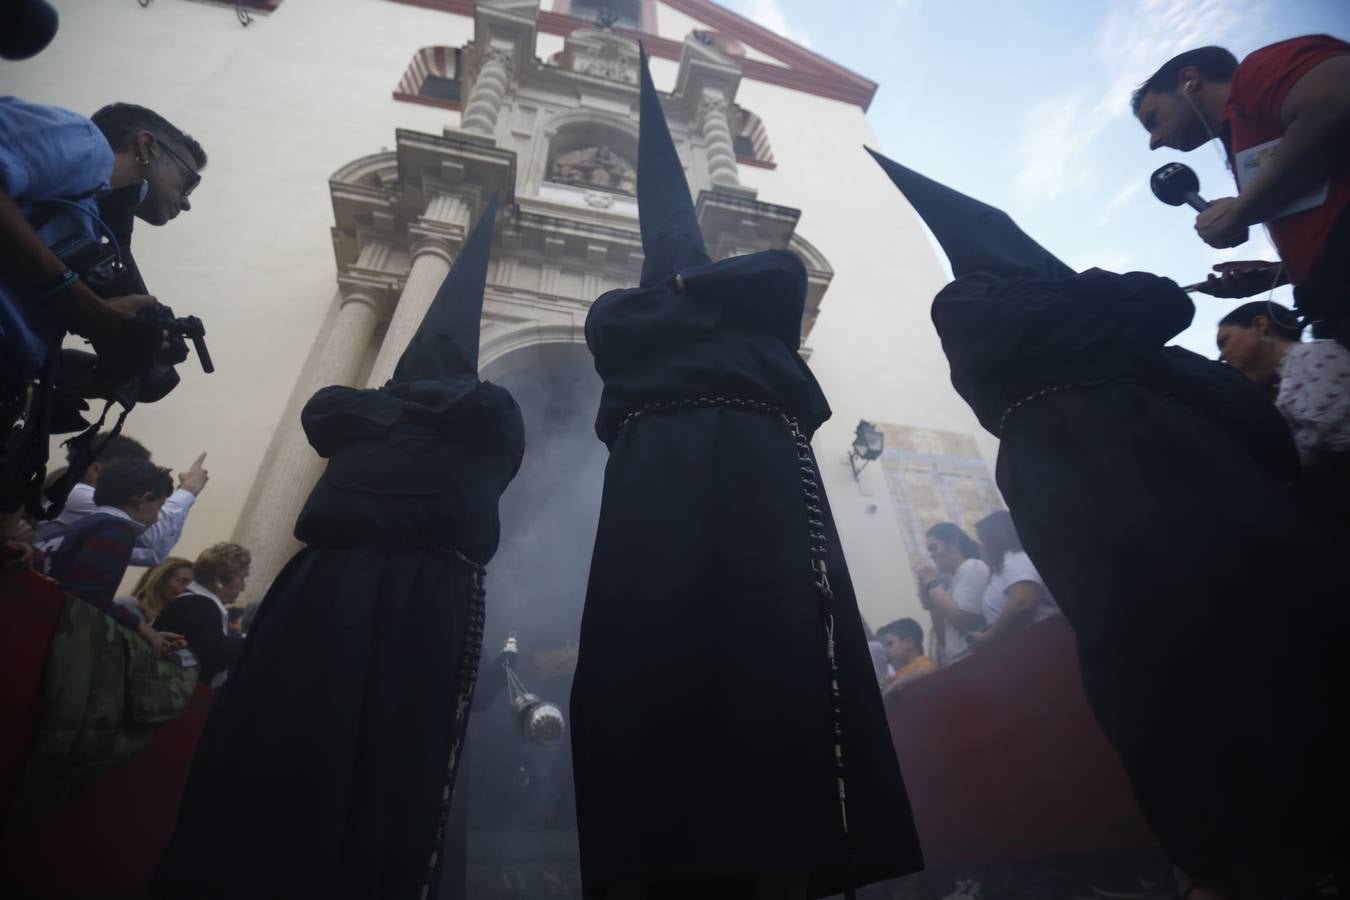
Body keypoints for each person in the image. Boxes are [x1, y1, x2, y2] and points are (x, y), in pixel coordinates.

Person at [868, 148, 1348, 898]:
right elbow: (1160, 310)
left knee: (1266, 643)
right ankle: (1224, 862)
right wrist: (1126, 303)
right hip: (1097, 505)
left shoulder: (1100, 341)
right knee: (1155, 668)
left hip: (1184, 506)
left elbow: (1231, 397)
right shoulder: (981, 312)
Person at [569, 50, 922, 900]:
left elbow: (780, 270)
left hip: (764, 493)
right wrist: (701, 291)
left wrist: (687, 288)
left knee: (780, 676)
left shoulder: (738, 302)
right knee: (656, 675)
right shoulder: (634, 320)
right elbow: (617, 318)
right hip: (659, 496)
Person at [152, 195, 524, 900]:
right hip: (328, 592)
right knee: (286, 747)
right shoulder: (378, 414)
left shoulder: (480, 416)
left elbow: (485, 409)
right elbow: (323, 409)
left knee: (386, 765)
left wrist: (402, 401)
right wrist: (416, 401)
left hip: (418, 598)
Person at [1131, 38, 1350, 345]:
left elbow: (1337, 98)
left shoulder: (1253, 73)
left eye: (1153, 119)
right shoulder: (1237, 140)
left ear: (1189, 80)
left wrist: (1241, 210)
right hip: (1330, 301)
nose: (1153, 141)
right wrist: (1275, 274)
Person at [0, 96, 205, 388]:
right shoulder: (87, 142)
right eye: (189, 181)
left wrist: (56, 368)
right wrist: (90, 309)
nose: (186, 203)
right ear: (147, 145)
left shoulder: (89, 218)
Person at [1216, 300, 1350, 545]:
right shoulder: (1286, 378)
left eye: (1225, 341)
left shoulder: (1314, 353)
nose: (1223, 355)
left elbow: (1328, 432)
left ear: (1260, 325)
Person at [33, 456, 184, 656]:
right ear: (142, 498)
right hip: (45, 635)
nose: (157, 517)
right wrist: (142, 627)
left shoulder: (90, 523)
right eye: (159, 506)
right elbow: (87, 595)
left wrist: (143, 631)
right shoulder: (117, 530)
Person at [36, 434, 208, 566]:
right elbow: (152, 536)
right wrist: (187, 491)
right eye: (131, 472)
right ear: (96, 471)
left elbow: (154, 553)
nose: (140, 481)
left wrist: (180, 495)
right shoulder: (79, 494)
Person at [153, 542, 249, 686]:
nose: (243, 587)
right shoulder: (199, 606)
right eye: (241, 578)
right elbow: (211, 657)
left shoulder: (197, 603)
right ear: (219, 580)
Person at [966, 511, 1057, 650]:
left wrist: (987, 638)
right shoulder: (1002, 568)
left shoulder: (1016, 558)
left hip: (1045, 643)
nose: (980, 547)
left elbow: (1023, 601)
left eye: (982, 541)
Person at [912, 522, 988, 665]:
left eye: (934, 548)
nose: (932, 556)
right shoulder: (954, 581)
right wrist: (932, 605)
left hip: (981, 660)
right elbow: (945, 641)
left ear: (954, 541)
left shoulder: (972, 567)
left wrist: (931, 582)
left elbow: (963, 621)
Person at [117, 554, 193, 622]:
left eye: (191, 584)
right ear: (160, 581)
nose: (189, 589)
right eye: (183, 581)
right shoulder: (128, 606)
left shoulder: (179, 620)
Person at [875, 619, 937, 694]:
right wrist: (890, 683)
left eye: (890, 644)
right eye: (884, 647)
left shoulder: (923, 661)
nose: (886, 651)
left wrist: (896, 683)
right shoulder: (898, 673)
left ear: (909, 643)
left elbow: (925, 671)